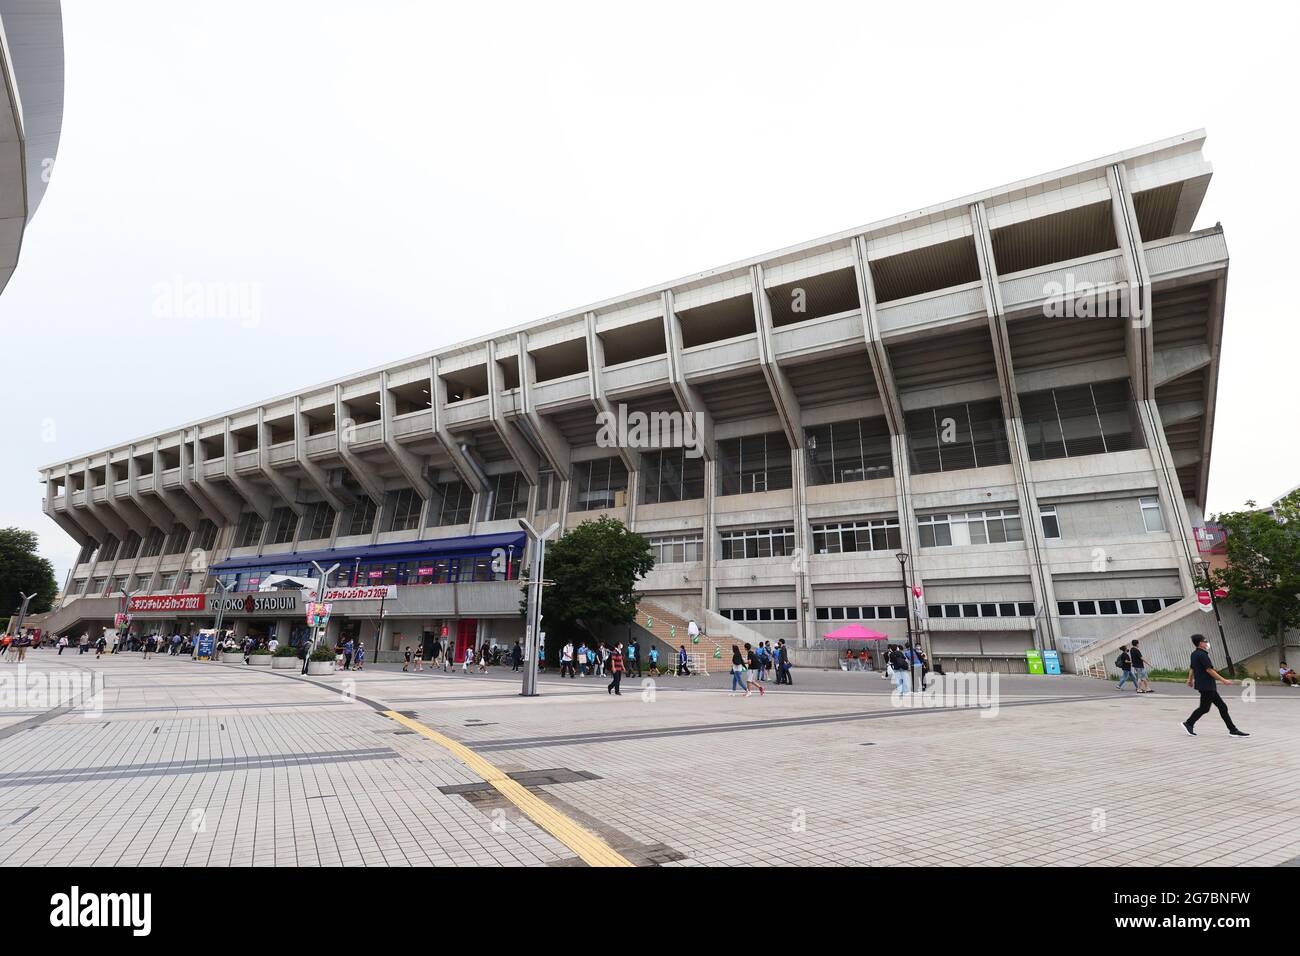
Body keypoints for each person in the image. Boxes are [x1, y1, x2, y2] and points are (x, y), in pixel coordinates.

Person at [1182, 634, 1248, 737]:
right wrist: (1223, 680)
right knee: (1205, 708)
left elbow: (1192, 668)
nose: (1207, 643)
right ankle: (1189, 723)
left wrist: (1190, 680)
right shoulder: (1202, 655)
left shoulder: (1194, 654)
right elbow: (1209, 670)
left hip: (1205, 685)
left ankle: (1233, 730)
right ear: (1200, 643)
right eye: (1205, 641)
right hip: (1207, 685)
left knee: (1222, 707)